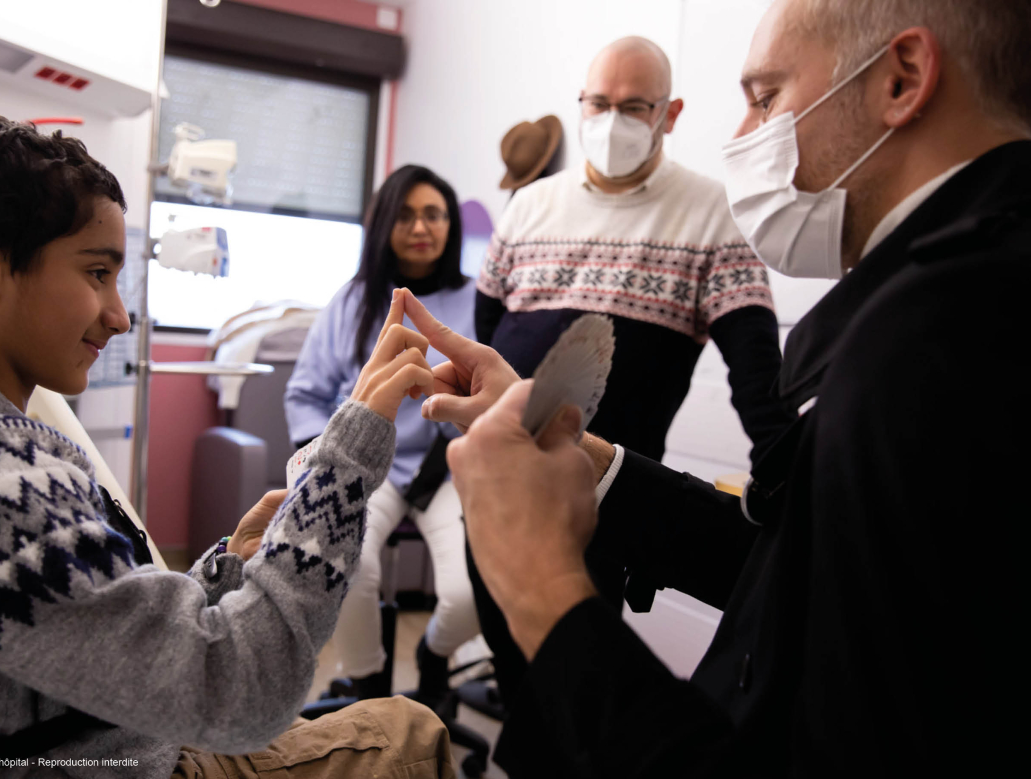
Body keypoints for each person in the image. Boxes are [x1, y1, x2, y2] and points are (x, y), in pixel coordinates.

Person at [403, 0, 1031, 773]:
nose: (743, 137)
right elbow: (801, 565)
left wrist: (546, 591)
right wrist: (597, 467)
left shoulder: (946, 339)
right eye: (597, 103)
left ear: (901, 78)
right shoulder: (919, 305)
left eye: (765, 98)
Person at [0, 115, 455, 779]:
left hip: (110, 735)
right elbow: (238, 689)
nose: (119, 315)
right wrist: (348, 455)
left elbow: (89, 646)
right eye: (96, 273)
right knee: (411, 731)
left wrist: (231, 565)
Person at [472, 35, 795, 710]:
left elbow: (757, 375)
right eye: (599, 103)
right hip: (497, 479)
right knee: (511, 661)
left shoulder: (711, 217)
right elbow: (485, 338)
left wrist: (791, 484)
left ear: (669, 114)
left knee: (573, 688)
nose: (612, 120)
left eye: (634, 106)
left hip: (601, 502)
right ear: (580, 103)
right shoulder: (530, 208)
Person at [286, 165, 480, 708]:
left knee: (471, 593)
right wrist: (319, 458)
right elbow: (303, 394)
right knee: (349, 567)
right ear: (384, 225)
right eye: (406, 214)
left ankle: (435, 655)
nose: (421, 226)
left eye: (434, 214)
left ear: (451, 226)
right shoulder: (351, 301)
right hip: (369, 465)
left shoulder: (477, 303)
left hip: (447, 468)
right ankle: (368, 687)